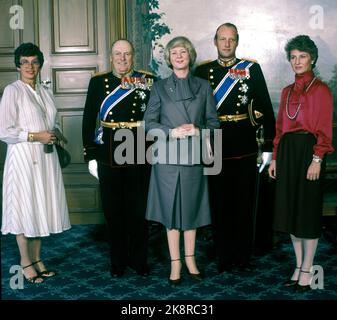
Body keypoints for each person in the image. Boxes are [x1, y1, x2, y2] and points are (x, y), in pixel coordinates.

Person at [194, 23, 276, 273]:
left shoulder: (251, 69)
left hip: (244, 143)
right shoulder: (202, 71)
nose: (226, 44)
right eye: (222, 39)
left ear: (237, 41)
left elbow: (265, 107)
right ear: (215, 41)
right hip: (214, 144)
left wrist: (269, 147)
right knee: (218, 203)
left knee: (243, 203)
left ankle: (243, 257)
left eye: (231, 39)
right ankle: (223, 256)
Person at [144, 36, 220, 285]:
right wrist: (171, 132)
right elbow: (148, 125)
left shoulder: (204, 87)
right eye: (174, 52)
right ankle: (175, 264)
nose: (178, 56)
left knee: (191, 212)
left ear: (190, 56)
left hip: (193, 159)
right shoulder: (158, 87)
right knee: (171, 214)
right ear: (168, 58)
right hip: (166, 158)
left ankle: (191, 259)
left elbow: (214, 125)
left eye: (183, 52)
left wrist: (198, 131)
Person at [82, 39, 155, 277]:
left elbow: (157, 115)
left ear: (133, 56)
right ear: (111, 57)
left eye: (127, 54)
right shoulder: (98, 82)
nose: (123, 59)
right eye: (118, 54)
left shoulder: (147, 80)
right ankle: (118, 262)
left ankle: (139, 260)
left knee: (138, 209)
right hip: (108, 150)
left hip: (138, 147)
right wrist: (90, 155)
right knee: (113, 211)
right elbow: (88, 119)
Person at [0, 43, 71, 284]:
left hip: (46, 158)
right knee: (24, 209)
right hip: (22, 160)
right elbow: (5, 131)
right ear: (18, 66)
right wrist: (35, 136)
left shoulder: (44, 91)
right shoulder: (12, 91)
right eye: (25, 62)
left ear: (40, 64)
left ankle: (38, 259)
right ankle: (25, 262)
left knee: (40, 208)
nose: (30, 66)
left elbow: (49, 121)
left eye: (34, 61)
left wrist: (57, 133)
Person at [268, 35, 334, 292]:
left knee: (306, 213)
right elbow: (279, 129)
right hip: (287, 153)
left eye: (302, 56)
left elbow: (325, 131)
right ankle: (298, 266)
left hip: (309, 153)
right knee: (292, 212)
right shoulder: (286, 91)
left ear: (312, 58)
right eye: (293, 57)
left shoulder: (321, 90)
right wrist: (275, 158)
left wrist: (317, 159)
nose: (297, 61)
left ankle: (307, 269)